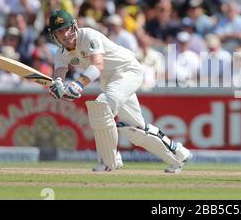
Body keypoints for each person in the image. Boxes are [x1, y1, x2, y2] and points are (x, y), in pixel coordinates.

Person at [47, 10, 192, 173]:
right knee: (135, 130)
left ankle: (109, 161)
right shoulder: (60, 53)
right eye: (60, 31)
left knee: (101, 107)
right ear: (54, 35)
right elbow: (59, 71)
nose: (65, 34)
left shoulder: (88, 35)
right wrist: (57, 85)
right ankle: (177, 155)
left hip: (127, 70)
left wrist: (78, 84)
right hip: (109, 81)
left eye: (67, 28)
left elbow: (98, 65)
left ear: (74, 26)